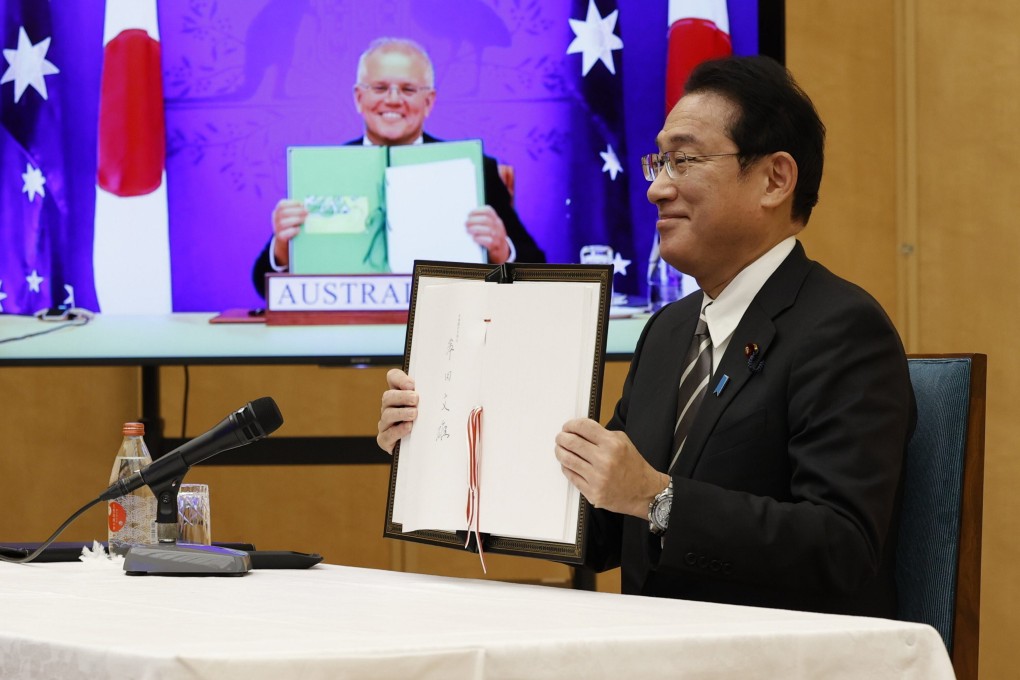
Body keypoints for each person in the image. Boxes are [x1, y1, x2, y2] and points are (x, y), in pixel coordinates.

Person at [377, 56, 915, 618]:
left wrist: (659, 499)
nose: (657, 188)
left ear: (775, 179)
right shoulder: (670, 330)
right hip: (651, 649)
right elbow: (600, 529)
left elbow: (843, 546)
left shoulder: (841, 329)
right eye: (659, 162)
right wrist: (434, 454)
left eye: (683, 160)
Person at [252, 37, 545, 296]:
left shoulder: (474, 168)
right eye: (380, 87)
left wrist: (500, 250)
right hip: (348, 333)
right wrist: (283, 247)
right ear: (359, 97)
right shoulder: (324, 170)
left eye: (408, 89)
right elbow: (262, 286)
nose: (393, 100)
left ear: (429, 102)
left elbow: (537, 270)